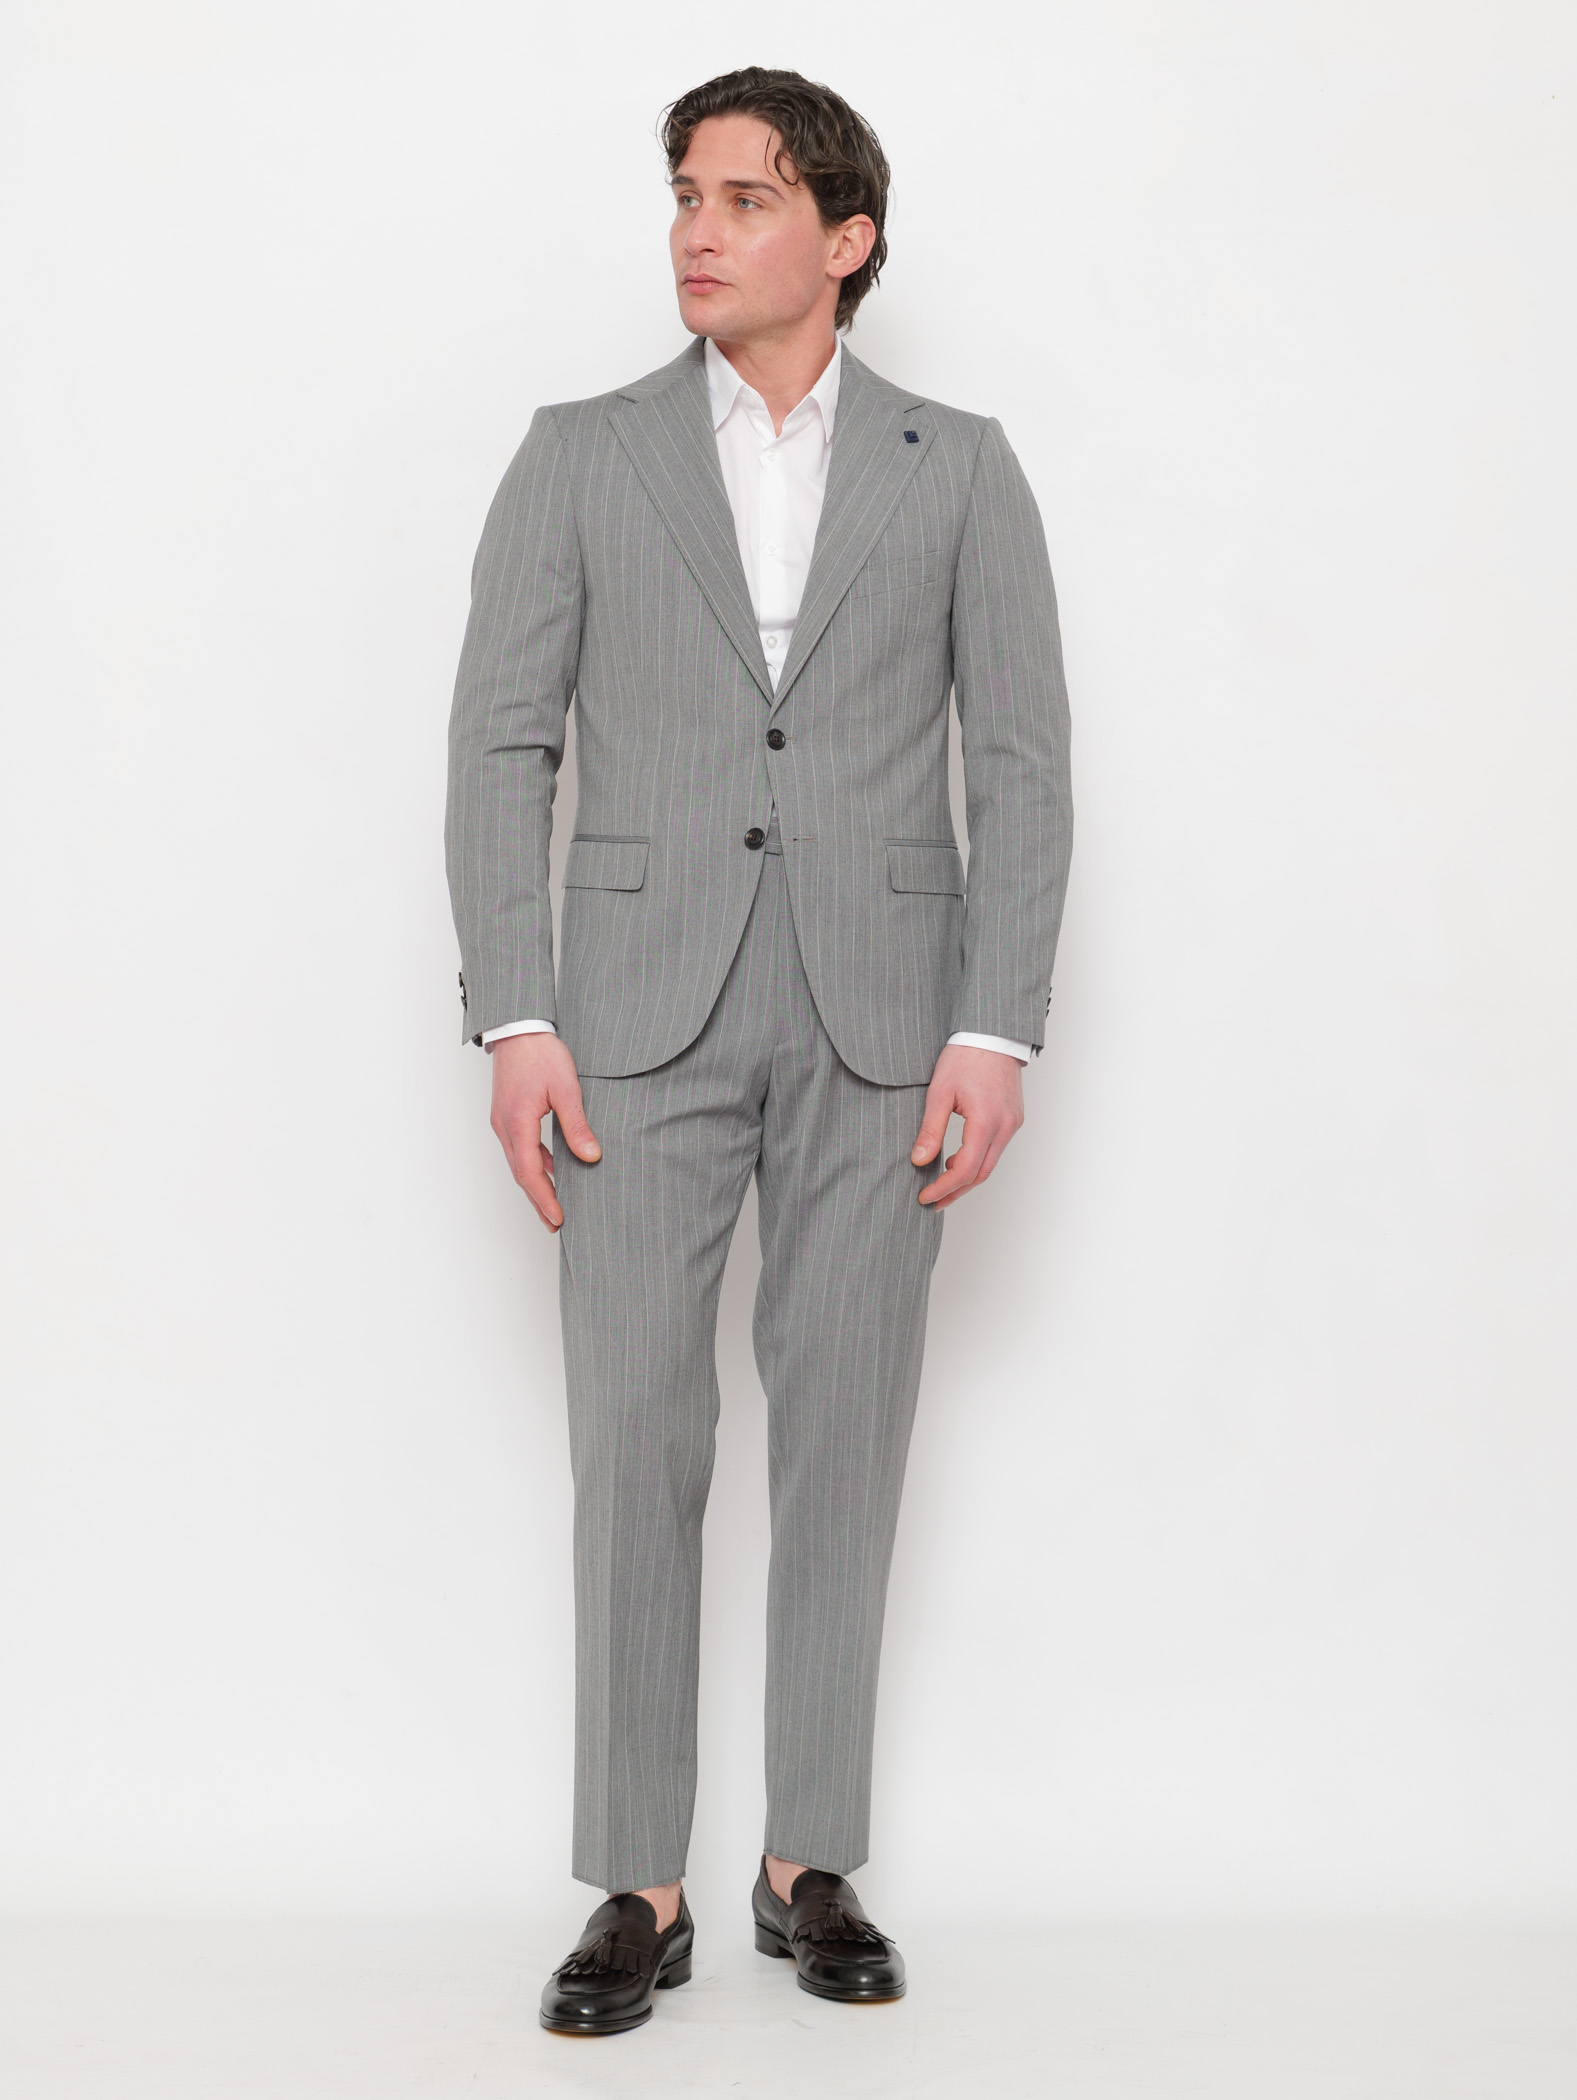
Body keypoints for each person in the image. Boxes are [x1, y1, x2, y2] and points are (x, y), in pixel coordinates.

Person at [445, 65, 1073, 2036]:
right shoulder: (580, 454)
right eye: (684, 196)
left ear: (845, 236)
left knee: (847, 1432)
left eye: (742, 198)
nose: (695, 232)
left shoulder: (959, 466)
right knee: (636, 1435)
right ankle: (636, 1883)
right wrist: (517, 1012)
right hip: (631, 1021)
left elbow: (1024, 762)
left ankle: (811, 1860)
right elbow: (501, 742)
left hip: (886, 1016)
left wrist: (994, 1021)